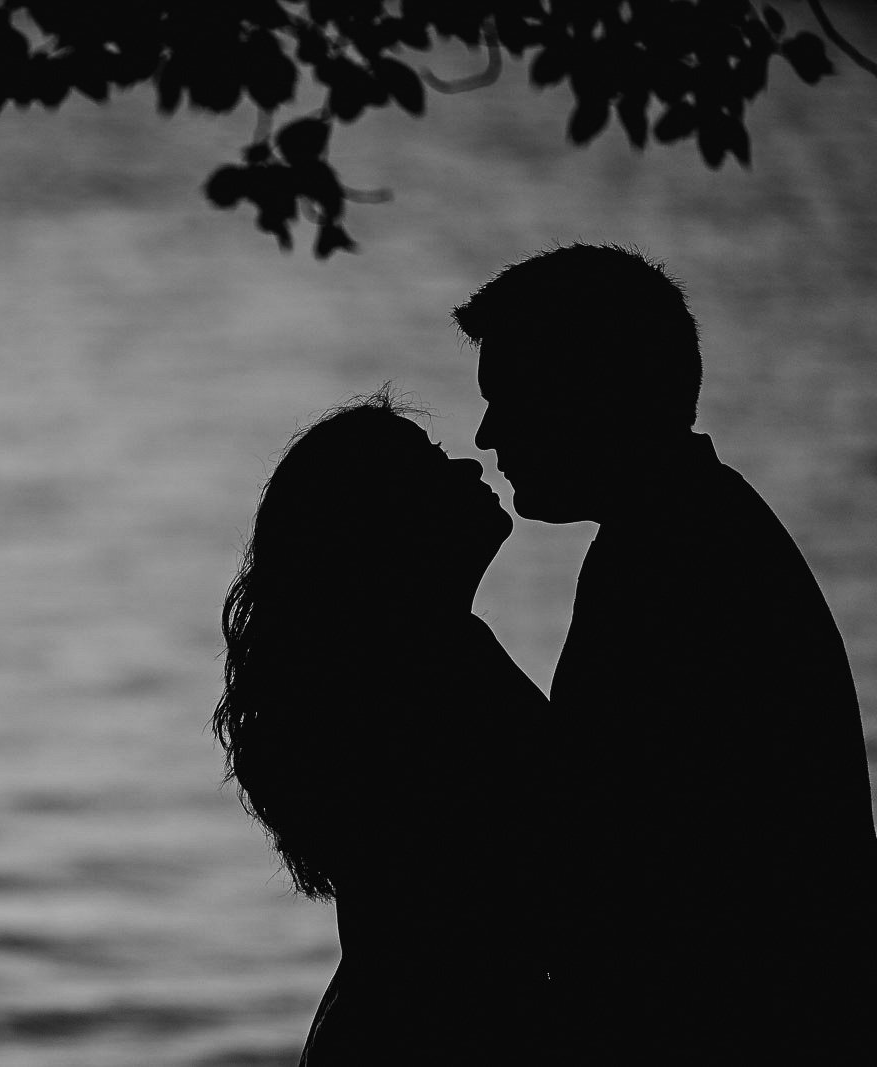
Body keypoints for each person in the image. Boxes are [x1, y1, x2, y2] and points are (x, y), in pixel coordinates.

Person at [455, 243, 877, 1061]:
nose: (488, 432)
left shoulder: (673, 564)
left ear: (591, 393)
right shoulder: (692, 530)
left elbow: (598, 857)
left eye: (510, 398)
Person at [214, 392, 552, 1064]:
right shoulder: (426, 679)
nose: (470, 467)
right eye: (432, 468)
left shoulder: (419, 664)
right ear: (385, 525)